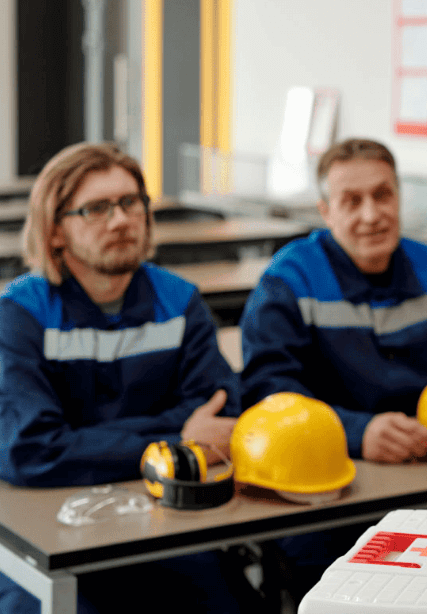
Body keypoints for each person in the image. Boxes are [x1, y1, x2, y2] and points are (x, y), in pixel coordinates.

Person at [239, 137, 427, 601]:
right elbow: (269, 395)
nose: (371, 214)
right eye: (351, 201)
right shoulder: (287, 282)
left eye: (383, 195)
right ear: (325, 211)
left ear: (399, 197)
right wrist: (360, 433)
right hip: (339, 494)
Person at [0, 143, 259, 613]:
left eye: (130, 202)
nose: (120, 220)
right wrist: (177, 437)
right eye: (96, 209)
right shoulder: (22, 313)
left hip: (166, 521)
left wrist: (85, 441)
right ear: (56, 231)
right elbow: (31, 450)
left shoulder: (178, 300)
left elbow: (222, 417)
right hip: (52, 527)